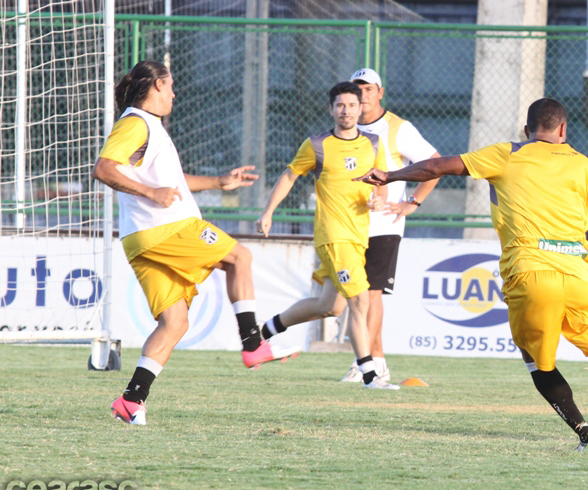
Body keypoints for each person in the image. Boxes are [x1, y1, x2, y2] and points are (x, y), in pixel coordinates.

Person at [356, 97, 588, 451]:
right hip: (581, 275)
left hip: (530, 273)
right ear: (563, 130)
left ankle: (587, 437)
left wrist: (391, 174)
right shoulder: (585, 166)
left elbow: (439, 166)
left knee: (538, 364)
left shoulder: (507, 153)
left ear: (528, 131)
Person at [93, 60, 296, 426]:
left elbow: (172, 181)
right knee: (240, 256)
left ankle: (131, 401)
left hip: (140, 239)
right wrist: (150, 192)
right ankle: (253, 343)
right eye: (170, 85)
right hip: (166, 229)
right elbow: (105, 168)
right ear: (156, 85)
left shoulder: (149, 127)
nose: (174, 92)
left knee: (175, 323)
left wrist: (218, 182)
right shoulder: (135, 122)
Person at [256, 81, 400, 390]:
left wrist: (380, 198)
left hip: (359, 236)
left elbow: (382, 182)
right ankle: (370, 376)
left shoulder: (374, 143)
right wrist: (268, 212)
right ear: (331, 109)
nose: (346, 111)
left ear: (361, 108)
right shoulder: (317, 145)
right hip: (334, 237)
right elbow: (289, 175)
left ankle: (264, 332)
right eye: (340, 105)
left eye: (351, 105)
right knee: (360, 302)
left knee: (329, 306)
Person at [338, 67, 441, 383]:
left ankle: (365, 363)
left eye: (369, 89)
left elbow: (434, 164)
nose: (363, 94)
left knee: (370, 294)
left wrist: (412, 202)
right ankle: (375, 361)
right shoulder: (346, 127)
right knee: (354, 295)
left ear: (380, 92)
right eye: (359, 89)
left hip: (384, 224)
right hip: (350, 224)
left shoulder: (397, 128)